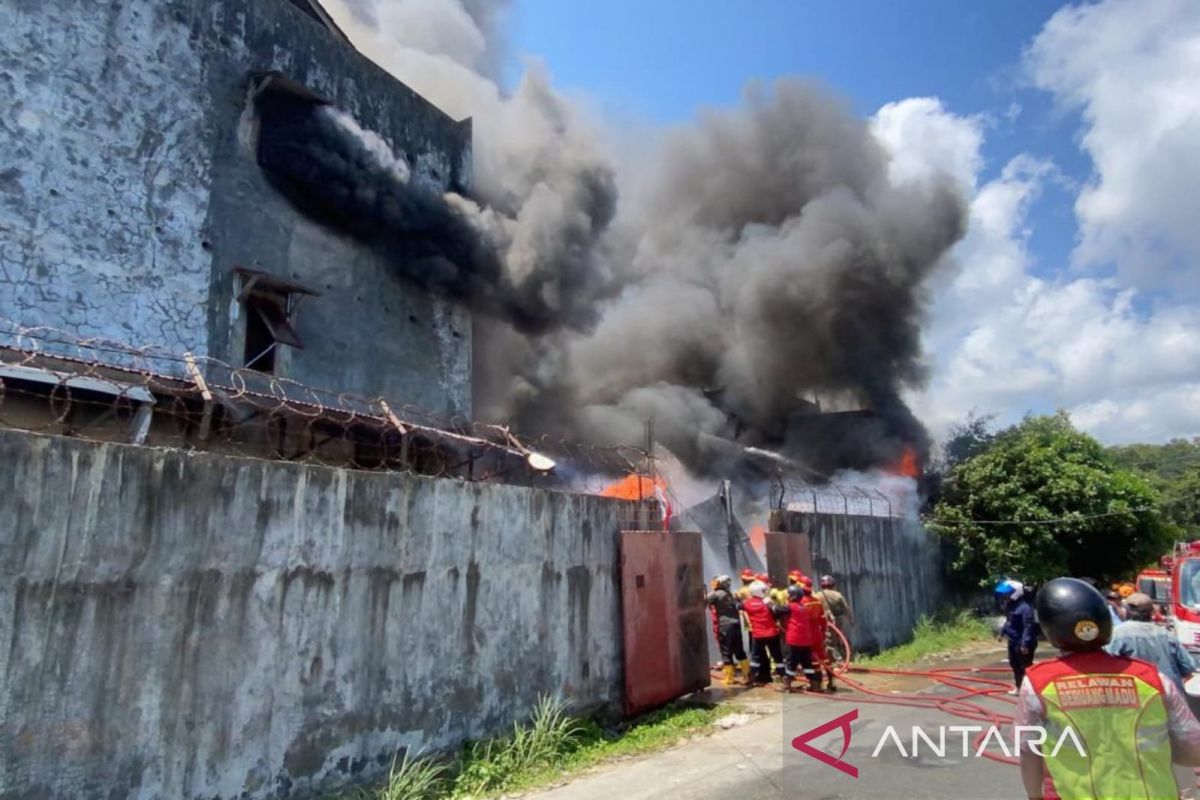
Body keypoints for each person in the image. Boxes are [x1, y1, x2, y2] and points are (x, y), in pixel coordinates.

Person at [1017, 577, 1200, 800]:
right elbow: (1194, 750)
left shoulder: (1038, 684)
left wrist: (1034, 796)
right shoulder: (1153, 679)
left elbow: (1028, 751)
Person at [706, 575, 749, 686]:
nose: (714, 584)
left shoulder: (716, 594)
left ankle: (729, 678)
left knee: (726, 651)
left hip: (725, 626)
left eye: (716, 582)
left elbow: (703, 601)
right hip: (736, 624)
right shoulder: (732, 594)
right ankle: (747, 675)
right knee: (739, 650)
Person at [778, 583, 822, 692]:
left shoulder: (791, 607)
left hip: (794, 640)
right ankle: (814, 684)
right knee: (807, 663)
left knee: (791, 663)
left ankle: (786, 685)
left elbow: (777, 610)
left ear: (792, 596)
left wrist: (769, 604)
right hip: (806, 641)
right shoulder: (804, 607)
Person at [740, 581, 785, 686]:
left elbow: (738, 606)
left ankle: (750, 678)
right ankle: (784, 678)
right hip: (772, 633)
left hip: (757, 634)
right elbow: (778, 612)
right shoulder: (767, 603)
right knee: (777, 657)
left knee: (755, 657)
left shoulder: (747, 603)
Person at [997, 579, 1038, 693]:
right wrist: (1001, 633)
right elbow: (1008, 621)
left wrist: (1024, 644)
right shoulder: (1011, 606)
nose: (1005, 596)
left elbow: (1028, 627)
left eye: (1008, 593)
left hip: (1023, 643)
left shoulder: (1025, 608)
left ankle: (1030, 690)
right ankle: (1019, 688)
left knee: (1025, 667)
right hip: (1013, 641)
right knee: (1014, 665)